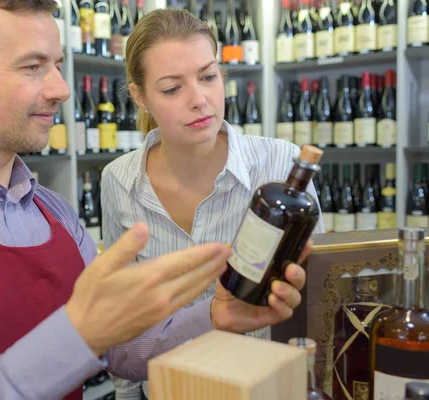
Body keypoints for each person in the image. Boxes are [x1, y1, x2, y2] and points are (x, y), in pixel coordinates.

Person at [0, 1, 307, 399]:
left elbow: (119, 349)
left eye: (57, 65)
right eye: (33, 67)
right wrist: (76, 335)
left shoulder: (52, 213)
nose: (60, 89)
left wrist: (214, 316)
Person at [101, 9, 325, 399]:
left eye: (207, 77)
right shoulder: (118, 180)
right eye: (172, 89)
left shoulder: (281, 165)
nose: (199, 99)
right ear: (140, 97)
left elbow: (317, 300)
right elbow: (122, 324)